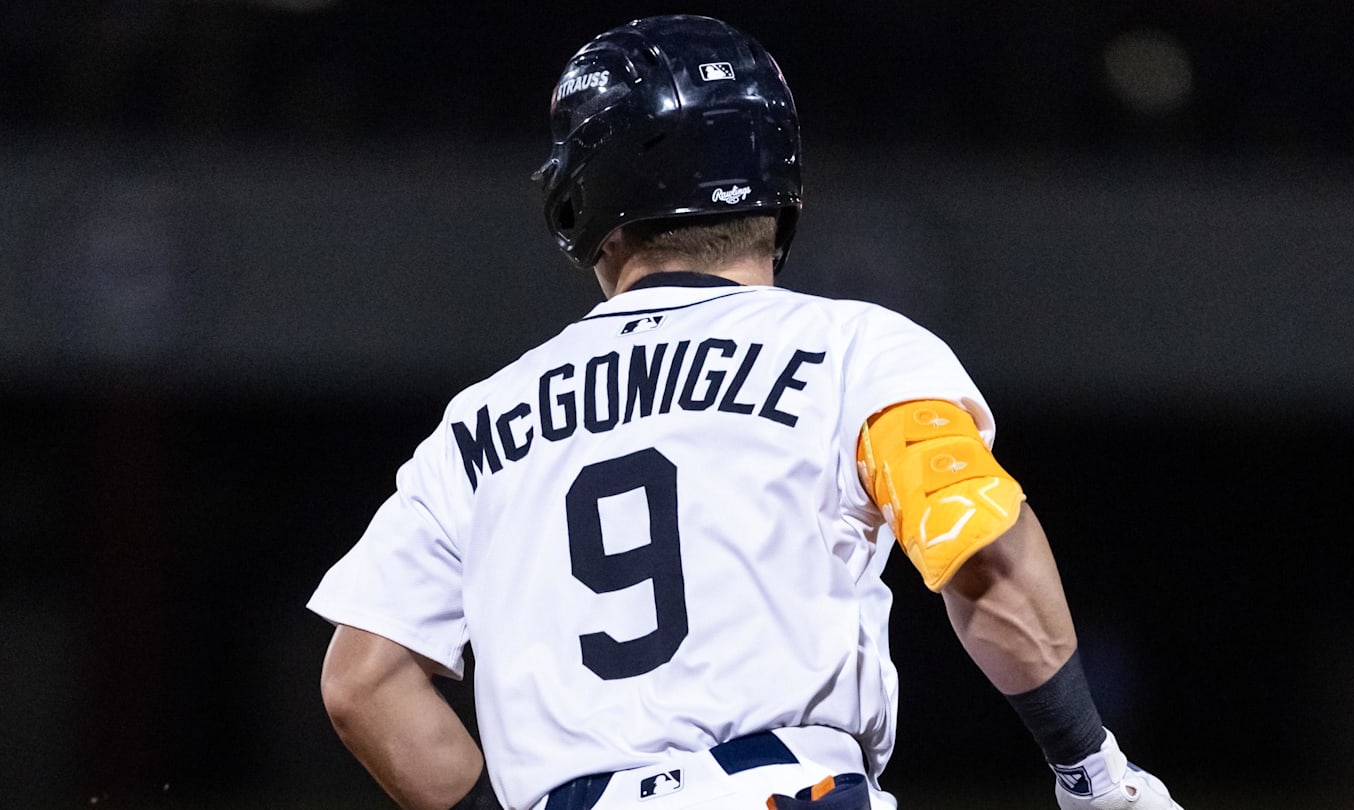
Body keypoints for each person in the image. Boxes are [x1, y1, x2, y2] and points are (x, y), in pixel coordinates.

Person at [308, 14, 1185, 810]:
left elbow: (362, 682)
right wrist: (1091, 771)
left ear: (588, 193)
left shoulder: (478, 422)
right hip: (781, 788)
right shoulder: (855, 350)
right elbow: (979, 547)